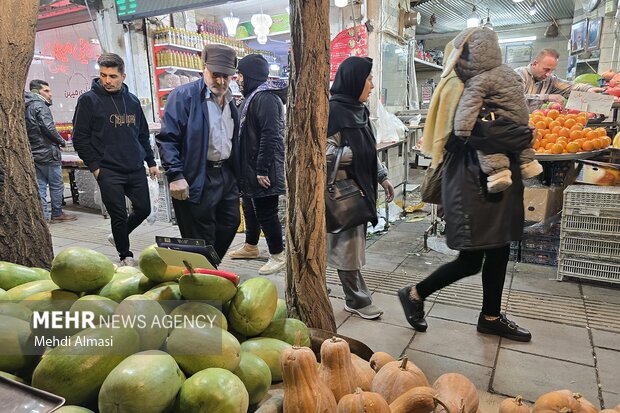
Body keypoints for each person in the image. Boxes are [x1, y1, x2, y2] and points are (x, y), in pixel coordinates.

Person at [398, 28, 534, 342]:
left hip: (496, 177)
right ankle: (415, 293)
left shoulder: (488, 80)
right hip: (476, 180)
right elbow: (464, 134)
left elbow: (498, 125)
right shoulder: (458, 85)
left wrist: (516, 134)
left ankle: (491, 316)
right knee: (472, 257)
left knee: (500, 249)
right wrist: (520, 134)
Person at [73, 53, 159, 266]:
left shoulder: (132, 101)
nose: (107, 81)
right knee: (118, 215)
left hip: (134, 167)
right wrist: (95, 167)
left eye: (112, 76)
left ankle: (117, 235)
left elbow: (141, 134)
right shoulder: (88, 101)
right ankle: (125, 255)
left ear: (123, 76)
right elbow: (80, 138)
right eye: (103, 75)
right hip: (108, 170)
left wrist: (151, 162)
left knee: (143, 209)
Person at [157, 44, 240, 261]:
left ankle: (208, 268)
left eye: (226, 76)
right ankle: (204, 279)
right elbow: (167, 139)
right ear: (204, 68)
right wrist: (175, 175)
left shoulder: (231, 101)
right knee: (201, 234)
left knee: (230, 222)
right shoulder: (184, 96)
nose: (221, 81)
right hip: (197, 175)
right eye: (216, 75)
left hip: (226, 175)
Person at [327, 56, 395, 320]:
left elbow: (369, 148)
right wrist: (355, 154)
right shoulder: (333, 112)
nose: (372, 86)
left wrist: (382, 176)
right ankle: (356, 299)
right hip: (343, 193)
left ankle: (351, 295)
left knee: (349, 247)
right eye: (368, 79)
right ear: (354, 80)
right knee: (347, 248)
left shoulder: (359, 110)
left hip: (361, 189)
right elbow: (324, 153)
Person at [449, 28, 542, 193]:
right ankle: (528, 163)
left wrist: (462, 129)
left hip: (475, 184)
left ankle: (499, 174)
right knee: (519, 146)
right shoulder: (508, 71)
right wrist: (525, 130)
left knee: (487, 148)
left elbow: (469, 109)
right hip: (519, 123)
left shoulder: (477, 81)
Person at [227, 54, 286, 275]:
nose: (238, 80)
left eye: (240, 75)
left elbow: (271, 136)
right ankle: (251, 246)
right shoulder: (253, 96)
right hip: (250, 168)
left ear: (249, 75)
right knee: (249, 208)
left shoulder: (266, 98)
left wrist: (262, 169)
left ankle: (278, 255)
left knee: (266, 211)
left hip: (264, 169)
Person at [25, 80, 77, 223]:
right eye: (46, 91)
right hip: (48, 152)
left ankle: (43, 216)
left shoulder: (25, 105)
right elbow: (48, 127)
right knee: (56, 184)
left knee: (40, 185)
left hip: (34, 152)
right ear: (36, 92)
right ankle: (57, 213)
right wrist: (61, 141)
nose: (50, 94)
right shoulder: (40, 106)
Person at [515, 48, 604, 111]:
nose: (548, 74)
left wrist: (588, 89)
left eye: (551, 70)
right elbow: (516, 99)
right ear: (535, 63)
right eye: (546, 69)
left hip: (536, 123)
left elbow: (571, 87)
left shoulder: (550, 80)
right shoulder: (519, 75)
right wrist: (548, 97)